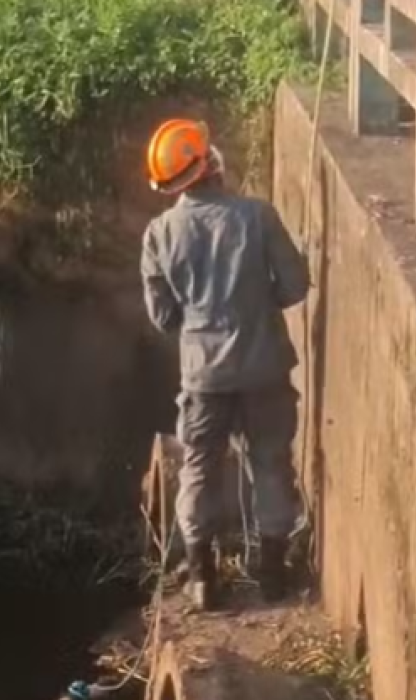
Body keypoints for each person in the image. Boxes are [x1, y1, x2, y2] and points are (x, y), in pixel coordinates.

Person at [139, 118, 310, 610]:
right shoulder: (258, 217)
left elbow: (163, 316)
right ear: (210, 163)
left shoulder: (159, 233)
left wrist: (201, 327)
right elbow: (295, 287)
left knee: (197, 469)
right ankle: (272, 577)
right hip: (265, 370)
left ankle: (201, 580)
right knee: (271, 465)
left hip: (203, 378)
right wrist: (258, 304)